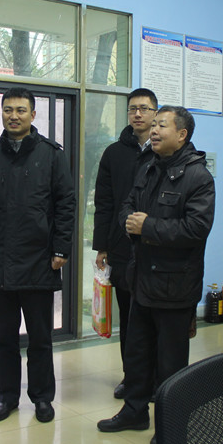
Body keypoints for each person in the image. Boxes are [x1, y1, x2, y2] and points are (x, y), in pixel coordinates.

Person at [97, 106, 215, 444]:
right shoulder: (148, 166)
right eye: (155, 124)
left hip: (175, 285)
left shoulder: (198, 177)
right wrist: (131, 221)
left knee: (170, 363)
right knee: (136, 355)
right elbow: (127, 205)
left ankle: (171, 424)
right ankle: (134, 411)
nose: (154, 130)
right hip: (142, 280)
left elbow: (196, 228)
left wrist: (147, 226)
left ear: (182, 134)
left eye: (162, 125)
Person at [0, 87, 75, 424]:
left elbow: (66, 205)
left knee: (40, 338)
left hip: (40, 260)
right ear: (2, 113)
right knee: (3, 338)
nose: (13, 116)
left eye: (20, 110)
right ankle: (7, 397)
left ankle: (42, 398)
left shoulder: (51, 155)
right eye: (8, 110)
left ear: (32, 114)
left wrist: (61, 248)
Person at [92, 87, 157, 399]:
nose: (138, 114)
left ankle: (157, 379)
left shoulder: (165, 150)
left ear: (155, 113)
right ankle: (131, 378)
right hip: (121, 247)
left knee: (154, 318)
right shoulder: (114, 153)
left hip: (157, 248)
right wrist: (102, 246)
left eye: (144, 108)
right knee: (129, 317)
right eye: (133, 108)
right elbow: (104, 203)